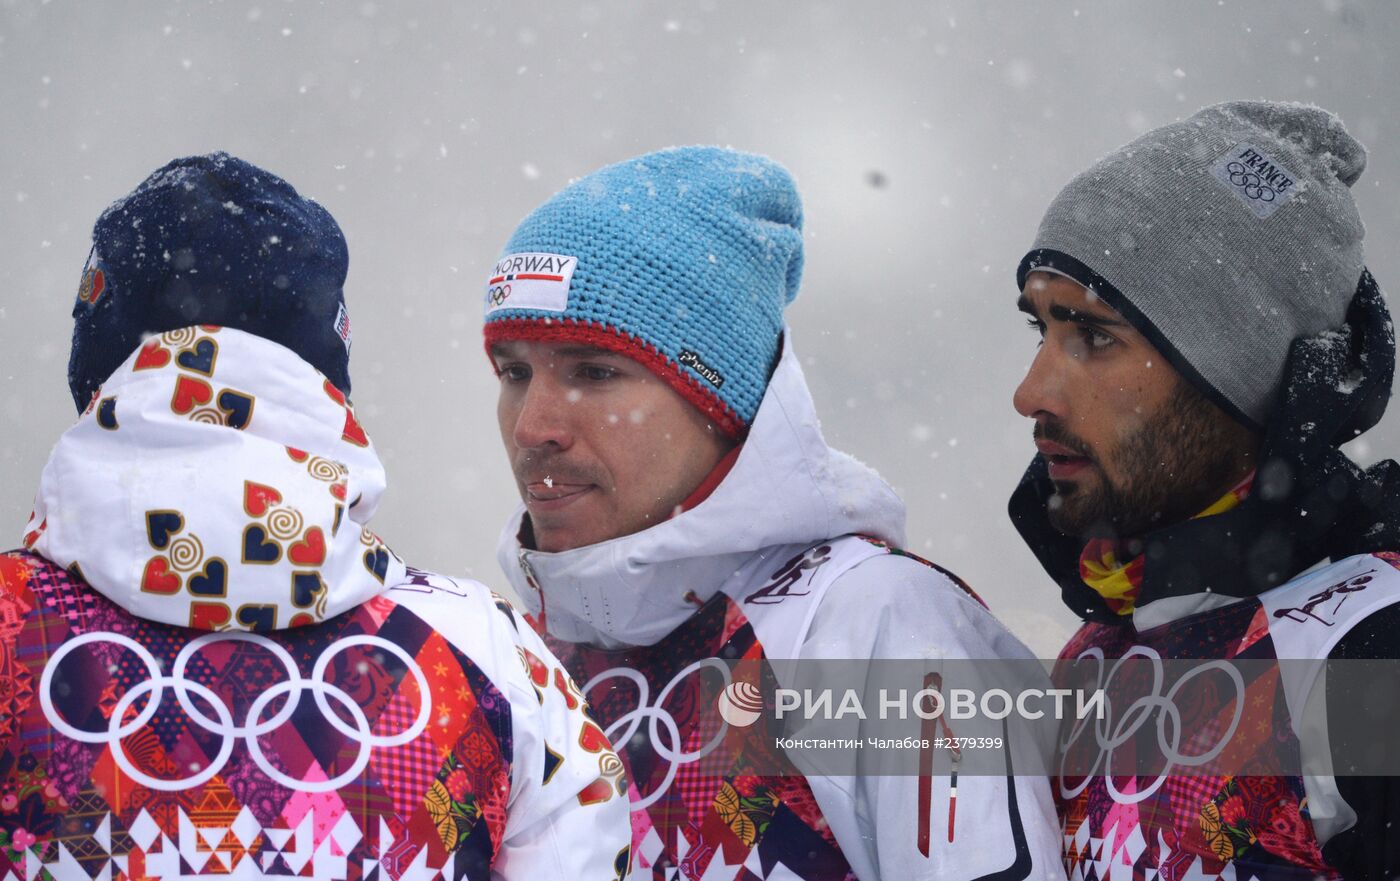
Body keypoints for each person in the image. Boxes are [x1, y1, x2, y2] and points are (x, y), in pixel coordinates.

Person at [2, 153, 631, 881]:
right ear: (328, 369)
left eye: (593, 372)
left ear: (100, 363)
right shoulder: (488, 657)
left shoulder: (13, 627)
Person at [483, 145, 1061, 880]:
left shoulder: (877, 626)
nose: (533, 426)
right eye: (514, 373)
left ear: (720, 403)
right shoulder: (507, 657)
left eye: (594, 372)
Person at [1009, 100, 1400, 879]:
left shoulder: (1366, 648)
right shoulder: (1098, 649)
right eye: (1039, 330)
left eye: (1093, 335)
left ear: (1237, 381)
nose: (1030, 392)